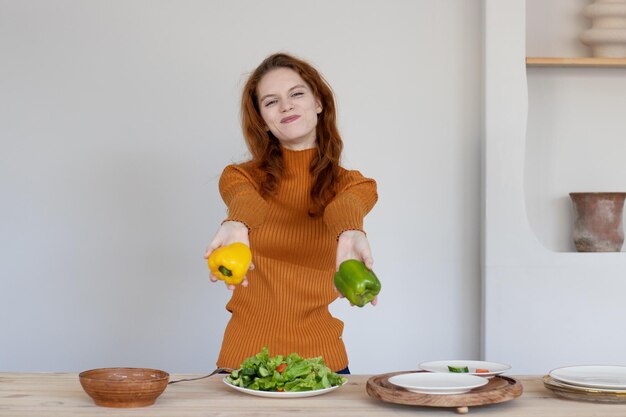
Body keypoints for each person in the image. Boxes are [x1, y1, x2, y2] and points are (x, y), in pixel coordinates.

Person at [204, 52, 377, 374]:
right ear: (262, 119)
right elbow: (245, 200)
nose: (286, 106)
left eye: (297, 94)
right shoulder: (241, 177)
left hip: (322, 365)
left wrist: (351, 230)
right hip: (243, 363)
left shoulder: (353, 185)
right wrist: (236, 222)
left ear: (318, 103)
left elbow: (345, 206)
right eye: (271, 101)